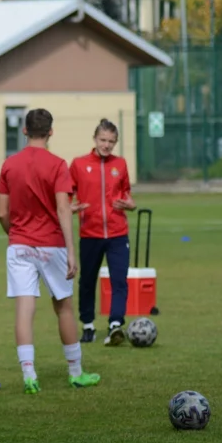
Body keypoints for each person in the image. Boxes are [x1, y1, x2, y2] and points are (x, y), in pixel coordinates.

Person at [0, 108, 102, 393]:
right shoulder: (57, 165)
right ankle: (76, 372)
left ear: (24, 130)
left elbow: (2, 213)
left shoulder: (9, 164)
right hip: (51, 244)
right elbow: (63, 208)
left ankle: (29, 374)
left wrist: (16, 235)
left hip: (19, 244)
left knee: (24, 308)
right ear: (51, 132)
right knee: (64, 307)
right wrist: (70, 250)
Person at [70, 117, 137, 346]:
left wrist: (130, 204)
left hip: (118, 233)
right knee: (87, 281)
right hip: (90, 233)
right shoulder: (78, 164)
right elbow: (67, 195)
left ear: (115, 142)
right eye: (103, 140)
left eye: (111, 141)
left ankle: (115, 325)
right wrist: (70, 207)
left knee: (119, 281)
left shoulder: (121, 164)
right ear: (95, 139)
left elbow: (127, 194)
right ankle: (88, 325)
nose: (106, 145)